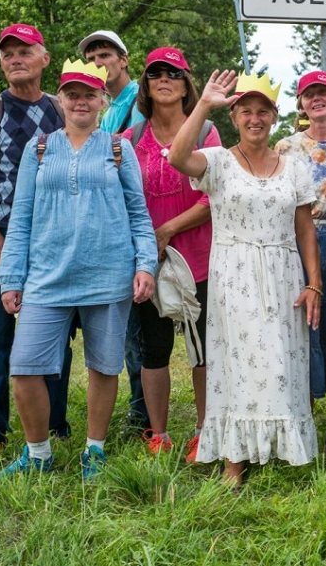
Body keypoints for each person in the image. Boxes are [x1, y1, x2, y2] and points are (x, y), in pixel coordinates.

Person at [0, 58, 157, 481]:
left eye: (90, 94)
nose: (81, 101)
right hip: (47, 276)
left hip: (109, 275)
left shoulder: (118, 148)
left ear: (103, 100)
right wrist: (11, 277)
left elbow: (139, 214)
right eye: (73, 94)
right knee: (25, 368)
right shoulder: (40, 147)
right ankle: (38, 453)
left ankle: (95, 450)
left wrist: (145, 265)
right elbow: (22, 216)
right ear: (60, 99)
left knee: (104, 366)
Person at [167, 70, 321, 487]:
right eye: (246, 111)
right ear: (234, 116)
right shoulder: (217, 161)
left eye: (263, 112)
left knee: (279, 360)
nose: (255, 119)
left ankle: (282, 447)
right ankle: (234, 458)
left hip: (284, 270)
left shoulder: (294, 168)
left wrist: (313, 283)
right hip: (234, 274)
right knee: (236, 363)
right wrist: (203, 106)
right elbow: (178, 157)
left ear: (274, 117)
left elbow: (305, 228)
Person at [0, 23, 73, 453]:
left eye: (24, 51)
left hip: (52, 247)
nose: (15, 59)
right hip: (0, 243)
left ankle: (56, 425)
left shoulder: (59, 110)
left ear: (45, 59)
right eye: (8, 54)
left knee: (55, 337)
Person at [123, 47, 220, 460]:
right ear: (145, 85)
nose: (164, 79)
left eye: (173, 73)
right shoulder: (129, 139)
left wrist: (168, 229)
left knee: (202, 349)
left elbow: (214, 196)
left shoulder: (204, 133)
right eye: (155, 73)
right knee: (153, 348)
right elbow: (125, 200)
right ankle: (158, 435)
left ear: (186, 85)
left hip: (197, 254)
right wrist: (149, 241)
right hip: (149, 261)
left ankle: (204, 430)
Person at [79, 29, 148, 433]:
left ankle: (142, 414)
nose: (98, 63)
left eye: (104, 55)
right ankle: (138, 406)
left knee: (138, 328)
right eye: (91, 58)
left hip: (143, 218)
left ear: (124, 59)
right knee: (128, 326)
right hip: (115, 222)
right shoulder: (104, 109)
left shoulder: (141, 99)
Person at [276, 70, 326, 403]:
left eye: (323, 92)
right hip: (298, 239)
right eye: (309, 94)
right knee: (304, 318)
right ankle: (303, 397)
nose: (317, 99)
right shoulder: (286, 147)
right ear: (301, 104)